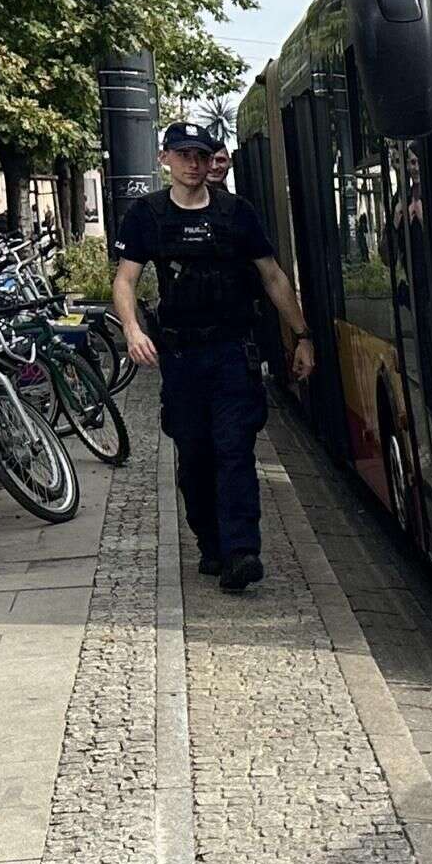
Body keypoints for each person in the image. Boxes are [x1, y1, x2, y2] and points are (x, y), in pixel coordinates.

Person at [111, 123, 315, 590]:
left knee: (234, 450)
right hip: (181, 357)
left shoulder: (236, 214)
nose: (194, 163)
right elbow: (125, 281)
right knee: (197, 457)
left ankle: (242, 551)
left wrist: (302, 335)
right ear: (165, 159)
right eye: (183, 155)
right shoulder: (147, 215)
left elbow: (273, 277)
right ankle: (211, 543)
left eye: (201, 155)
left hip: (231, 352)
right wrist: (132, 330)